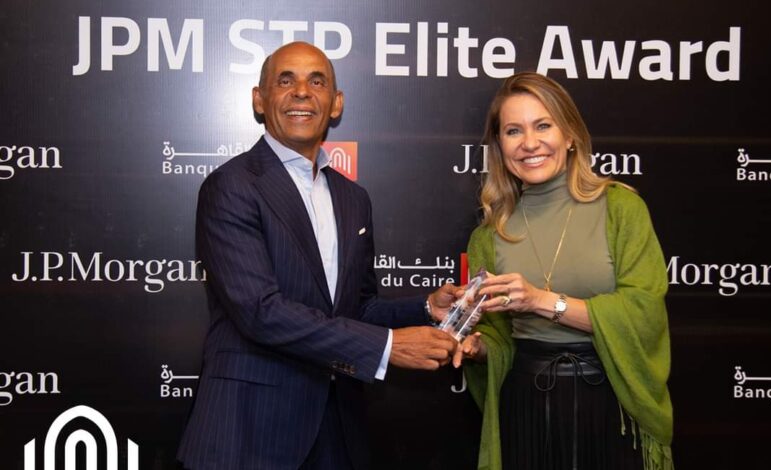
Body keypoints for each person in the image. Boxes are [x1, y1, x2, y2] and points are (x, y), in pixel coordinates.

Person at [177, 41, 459, 470]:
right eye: (285, 80)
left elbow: (356, 308)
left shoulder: (353, 198)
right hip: (250, 430)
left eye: (317, 81)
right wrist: (387, 347)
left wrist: (425, 308)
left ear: (336, 103)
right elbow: (260, 312)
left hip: (337, 429)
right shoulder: (231, 186)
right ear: (259, 99)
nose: (301, 92)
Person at [454, 72, 673, 470]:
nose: (529, 143)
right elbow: (500, 338)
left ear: (570, 135)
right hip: (526, 407)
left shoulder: (622, 209)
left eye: (543, 126)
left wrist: (540, 301)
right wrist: (478, 348)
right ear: (499, 146)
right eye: (513, 131)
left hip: (613, 403)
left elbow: (644, 314)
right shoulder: (488, 236)